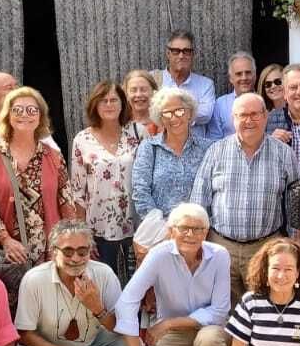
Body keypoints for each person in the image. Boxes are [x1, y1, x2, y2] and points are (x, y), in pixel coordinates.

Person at [115, 203, 231, 346]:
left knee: (211, 341)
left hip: (208, 329)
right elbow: (126, 302)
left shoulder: (220, 255)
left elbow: (220, 310)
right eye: (183, 228)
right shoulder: (158, 255)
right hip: (175, 335)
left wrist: (168, 323)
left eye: (198, 229)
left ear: (206, 232)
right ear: (170, 231)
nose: (190, 234)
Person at [191, 93, 299, 301]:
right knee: (223, 312)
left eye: (254, 114)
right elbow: (199, 202)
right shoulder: (216, 151)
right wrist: (198, 246)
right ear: (233, 119)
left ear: (265, 117)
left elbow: (294, 203)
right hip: (222, 248)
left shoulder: (284, 154)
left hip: (266, 248)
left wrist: (294, 242)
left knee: (264, 311)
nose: (249, 121)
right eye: (242, 115)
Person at [0, 86, 79, 299]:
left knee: (48, 310)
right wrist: (5, 240)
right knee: (12, 313)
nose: (25, 114)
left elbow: (67, 203)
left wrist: (68, 243)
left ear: (40, 116)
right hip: (11, 257)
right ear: (7, 115)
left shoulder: (53, 156)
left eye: (32, 110)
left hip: (50, 253)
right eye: (18, 110)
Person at [69, 81, 141, 281]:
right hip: (98, 230)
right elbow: (78, 191)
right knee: (105, 287)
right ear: (95, 105)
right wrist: (83, 235)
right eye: (103, 101)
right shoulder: (82, 140)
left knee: (136, 290)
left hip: (134, 227)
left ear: (122, 103)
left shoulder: (137, 134)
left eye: (113, 100)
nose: (109, 105)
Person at [130, 87, 211, 233]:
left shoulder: (208, 148)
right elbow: (140, 191)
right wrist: (163, 229)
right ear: (160, 119)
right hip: (159, 233)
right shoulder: (149, 147)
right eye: (167, 113)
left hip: (199, 233)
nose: (174, 117)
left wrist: (196, 228)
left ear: (189, 113)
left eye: (179, 111)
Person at [158, 30, 215, 138]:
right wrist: (190, 111)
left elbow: (206, 115)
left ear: (193, 54)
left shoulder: (205, 85)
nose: (181, 56)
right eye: (176, 51)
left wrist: (167, 112)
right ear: (168, 54)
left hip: (195, 150)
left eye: (186, 51)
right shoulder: (154, 80)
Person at [271, 64, 300, 170]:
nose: (299, 92)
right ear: (284, 93)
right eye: (293, 87)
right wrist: (269, 143)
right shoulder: (268, 120)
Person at [209, 52, 258, 141]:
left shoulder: (264, 101)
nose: (244, 78)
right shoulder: (220, 105)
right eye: (239, 74)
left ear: (255, 75)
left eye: (248, 73)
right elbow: (214, 140)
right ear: (231, 78)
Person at [121, 70, 159, 144]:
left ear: (154, 92)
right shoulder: (119, 124)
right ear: (126, 95)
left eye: (144, 90)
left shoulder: (164, 123)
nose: (138, 95)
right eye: (133, 90)